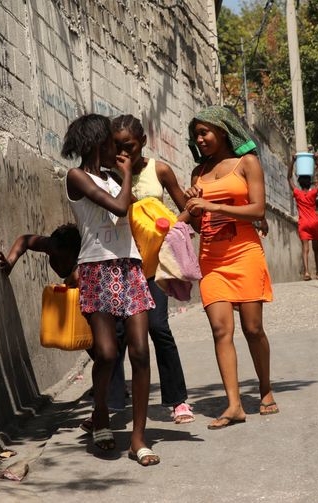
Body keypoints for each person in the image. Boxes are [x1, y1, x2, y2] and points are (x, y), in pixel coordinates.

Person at [62, 113, 159, 466]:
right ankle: (100, 410)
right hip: (96, 270)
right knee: (105, 353)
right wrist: (129, 174)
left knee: (140, 352)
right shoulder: (76, 177)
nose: (118, 152)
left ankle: (138, 438)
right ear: (96, 144)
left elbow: (131, 212)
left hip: (129, 267)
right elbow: (119, 207)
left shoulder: (114, 178)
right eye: (112, 145)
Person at [183, 105, 278, 429]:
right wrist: (193, 204)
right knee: (221, 330)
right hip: (212, 258)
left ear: (221, 130)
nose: (200, 139)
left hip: (244, 252)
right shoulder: (198, 173)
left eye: (204, 132)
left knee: (253, 329)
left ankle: (265, 389)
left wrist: (212, 203)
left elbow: (257, 209)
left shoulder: (246, 163)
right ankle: (234, 404)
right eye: (196, 134)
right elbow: (196, 222)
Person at [110, 113, 194, 424]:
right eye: (117, 146)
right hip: (121, 264)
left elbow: (188, 208)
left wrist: (171, 227)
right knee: (118, 335)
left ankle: (178, 401)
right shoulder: (110, 174)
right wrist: (122, 173)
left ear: (143, 142)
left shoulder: (159, 170)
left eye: (129, 146)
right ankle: (113, 402)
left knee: (159, 328)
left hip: (154, 266)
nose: (124, 152)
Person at [0, 223, 81, 285]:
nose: (59, 265)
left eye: (63, 261)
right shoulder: (53, 244)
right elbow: (25, 240)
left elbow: (76, 277)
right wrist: (10, 262)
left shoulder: (84, 260)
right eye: (54, 258)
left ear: (74, 256)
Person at [288, 154, 318, 280]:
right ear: (310, 183)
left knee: (305, 249)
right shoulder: (313, 193)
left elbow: (289, 178)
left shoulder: (297, 193)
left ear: (299, 183)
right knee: (316, 249)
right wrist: (317, 161)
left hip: (303, 223)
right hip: (314, 222)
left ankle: (306, 273)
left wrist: (292, 162)